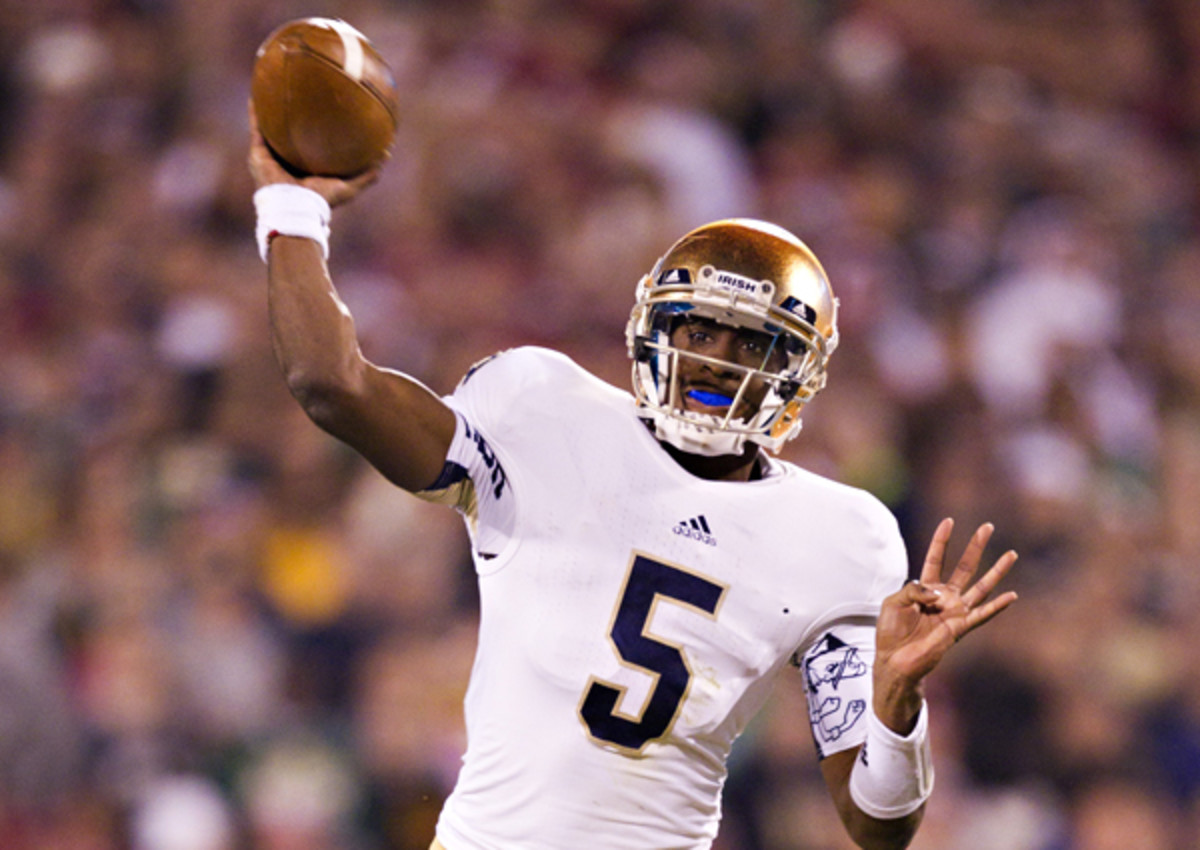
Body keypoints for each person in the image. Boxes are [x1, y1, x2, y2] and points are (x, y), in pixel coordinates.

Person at [247, 106, 1018, 850]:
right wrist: (293, 206)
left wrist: (897, 701)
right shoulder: (541, 409)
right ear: (653, 328)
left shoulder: (842, 536)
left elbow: (877, 828)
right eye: (700, 330)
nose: (717, 361)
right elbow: (330, 383)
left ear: (798, 373)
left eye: (751, 344)